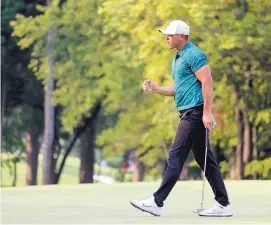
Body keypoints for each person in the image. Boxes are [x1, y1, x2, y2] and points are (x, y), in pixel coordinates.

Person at [130, 20, 233, 217]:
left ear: (181, 36)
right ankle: (223, 204)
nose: (166, 38)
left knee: (175, 157)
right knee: (205, 160)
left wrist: (207, 112)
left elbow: (208, 83)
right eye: (165, 35)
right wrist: (156, 89)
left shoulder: (194, 54)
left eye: (170, 35)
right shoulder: (178, 58)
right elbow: (177, 87)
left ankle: (156, 201)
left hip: (195, 113)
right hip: (189, 112)